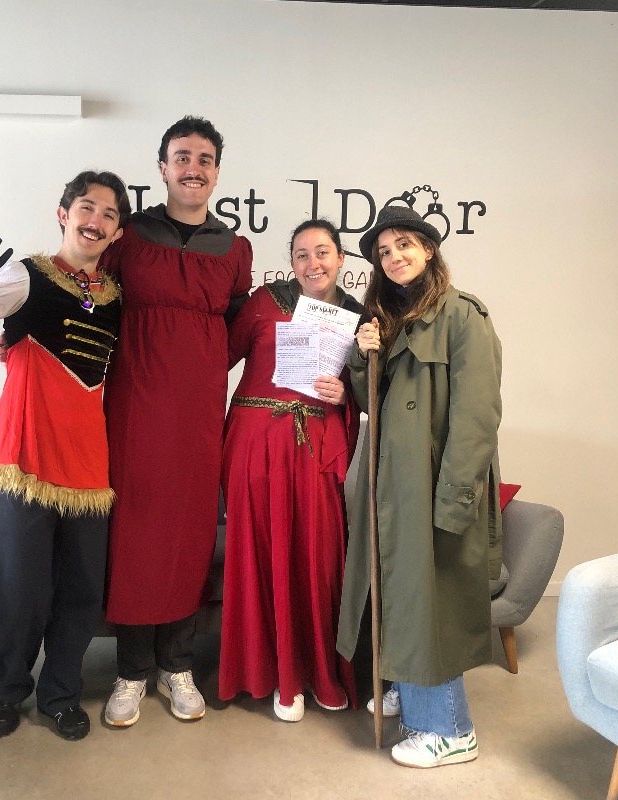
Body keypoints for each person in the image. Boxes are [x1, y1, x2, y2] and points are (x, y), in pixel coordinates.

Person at [0, 170, 131, 741]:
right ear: (64, 213)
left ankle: (60, 694)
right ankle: (9, 690)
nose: (96, 221)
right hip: (23, 454)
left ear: (117, 232)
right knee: (16, 584)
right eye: (87, 207)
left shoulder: (116, 297)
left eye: (109, 214)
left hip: (86, 463)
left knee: (81, 589)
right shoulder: (24, 276)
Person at [336, 204, 502, 767]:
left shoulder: (462, 315)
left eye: (404, 245)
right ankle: (408, 690)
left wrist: (453, 502)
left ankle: (450, 731)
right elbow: (372, 403)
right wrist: (363, 356)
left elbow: (476, 418)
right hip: (392, 485)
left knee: (429, 604)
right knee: (399, 593)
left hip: (432, 487)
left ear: (429, 249)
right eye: (384, 252)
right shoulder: (389, 318)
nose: (394, 257)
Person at [101, 115, 253, 727]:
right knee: (135, 533)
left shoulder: (234, 250)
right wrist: (40, 330)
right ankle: (132, 671)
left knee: (190, 533)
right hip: (134, 406)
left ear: (216, 173)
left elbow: (240, 327)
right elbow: (89, 299)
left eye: (205, 159)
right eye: (182, 157)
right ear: (162, 168)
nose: (194, 168)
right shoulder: (128, 236)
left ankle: (178, 665)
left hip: (198, 411)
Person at [218, 219, 363, 722]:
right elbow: (215, 357)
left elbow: (376, 390)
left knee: (319, 558)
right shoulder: (264, 302)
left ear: (340, 258)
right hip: (256, 444)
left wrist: (347, 392)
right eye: (301, 254)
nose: (312, 263)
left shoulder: (359, 317)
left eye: (322, 252)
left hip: (318, 447)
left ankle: (319, 670)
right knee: (261, 555)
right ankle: (276, 677)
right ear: (292, 262)